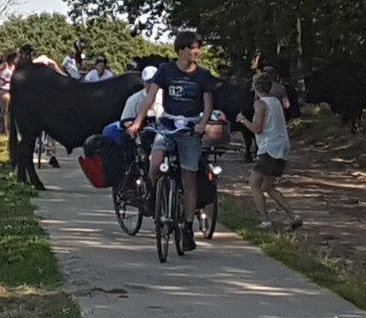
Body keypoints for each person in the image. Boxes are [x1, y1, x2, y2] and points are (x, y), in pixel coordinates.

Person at [126, 31, 218, 252]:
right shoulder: (166, 71)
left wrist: (203, 124)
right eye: (191, 48)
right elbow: (150, 98)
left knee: (189, 180)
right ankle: (153, 199)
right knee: (155, 162)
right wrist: (137, 121)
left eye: (198, 48)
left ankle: (186, 227)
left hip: (190, 130)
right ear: (180, 50)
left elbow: (208, 105)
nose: (196, 52)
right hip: (167, 126)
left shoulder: (203, 76)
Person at [236, 73, 304, 230]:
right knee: (267, 186)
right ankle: (293, 216)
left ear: (254, 87)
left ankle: (265, 220)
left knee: (254, 183)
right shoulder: (275, 102)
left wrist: (243, 120)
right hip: (281, 146)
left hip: (269, 148)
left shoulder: (260, 105)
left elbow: (257, 129)